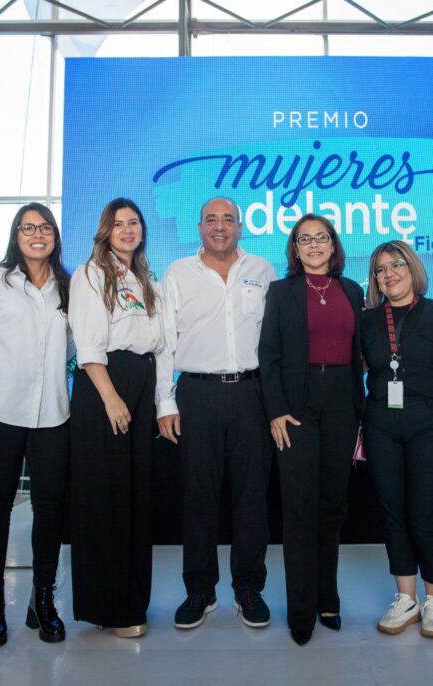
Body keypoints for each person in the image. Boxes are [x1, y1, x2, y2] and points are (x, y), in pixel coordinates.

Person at [156, 197, 277, 631]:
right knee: (198, 497)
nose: (220, 226)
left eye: (228, 219)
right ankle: (200, 591)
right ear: (199, 227)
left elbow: (276, 342)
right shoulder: (177, 274)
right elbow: (164, 344)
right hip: (197, 395)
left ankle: (249, 589)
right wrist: (164, 402)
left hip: (252, 394)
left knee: (252, 497)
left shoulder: (263, 271)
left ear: (241, 227)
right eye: (211, 219)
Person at [0, 202, 71, 647]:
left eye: (45, 227)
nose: (37, 234)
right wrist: (2, 374)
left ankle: (42, 599)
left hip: (52, 413)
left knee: (50, 508)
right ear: (16, 234)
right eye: (28, 228)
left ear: (55, 235)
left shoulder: (67, 285)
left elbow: (71, 344)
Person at [258, 214, 363, 646]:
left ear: (333, 246)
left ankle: (328, 598)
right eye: (305, 239)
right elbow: (269, 354)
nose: (315, 245)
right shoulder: (282, 293)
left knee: (332, 505)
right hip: (297, 405)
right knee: (298, 507)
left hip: (342, 400)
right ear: (295, 250)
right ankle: (301, 608)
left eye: (322, 238)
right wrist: (276, 410)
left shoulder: (354, 291)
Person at [69, 198, 163, 638]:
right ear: (105, 230)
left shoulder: (146, 278)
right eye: (118, 224)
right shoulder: (92, 274)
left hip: (141, 382)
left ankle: (133, 601)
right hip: (107, 383)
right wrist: (110, 397)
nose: (127, 230)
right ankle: (110, 607)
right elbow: (89, 345)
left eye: (134, 223)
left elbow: (158, 342)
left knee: (136, 496)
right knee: (105, 498)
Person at [361, 240, 433, 640]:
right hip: (381, 419)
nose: (389, 273)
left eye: (396, 264)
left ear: (412, 268)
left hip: (431, 420)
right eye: (381, 269)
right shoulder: (366, 321)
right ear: (375, 279)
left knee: (424, 514)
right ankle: (407, 599)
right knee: (393, 512)